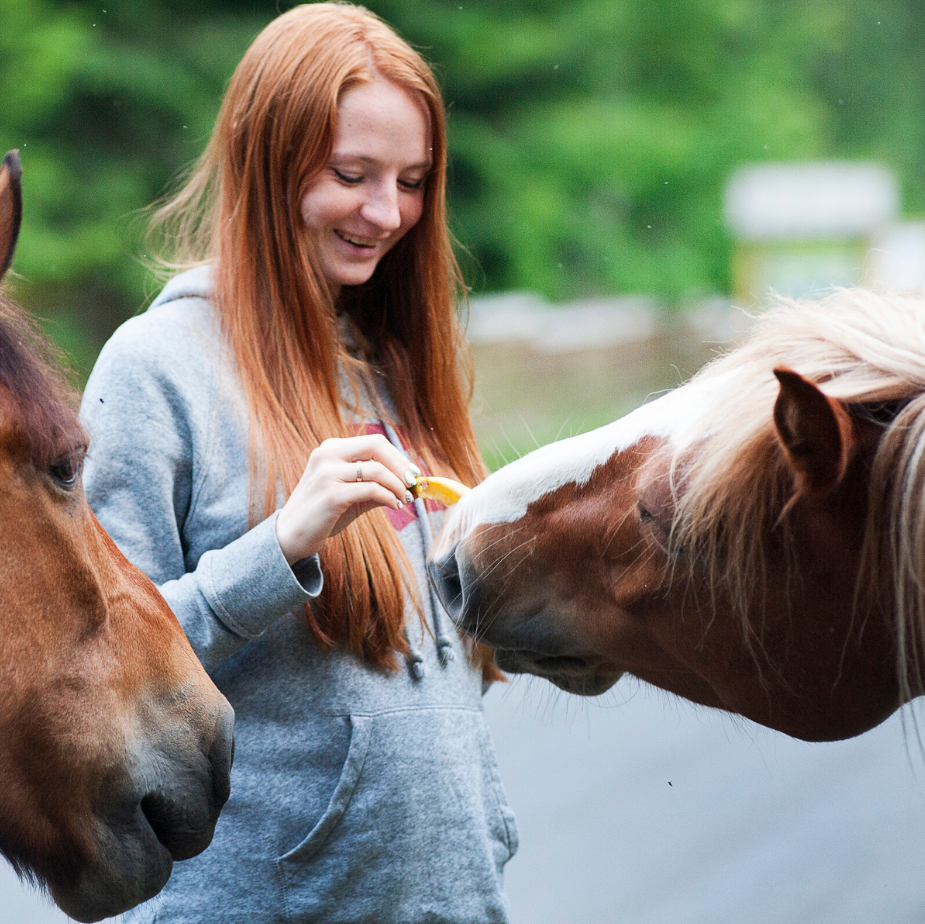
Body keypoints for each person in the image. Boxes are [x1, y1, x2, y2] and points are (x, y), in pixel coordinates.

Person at [79, 4, 518, 922]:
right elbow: (97, 676)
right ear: (268, 159)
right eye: (351, 175)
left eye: (411, 181)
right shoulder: (155, 368)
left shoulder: (395, 364)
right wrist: (280, 547)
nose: (386, 213)